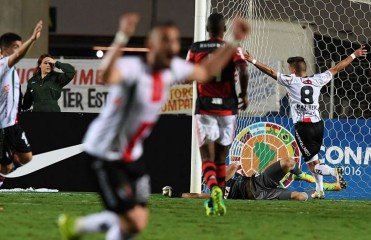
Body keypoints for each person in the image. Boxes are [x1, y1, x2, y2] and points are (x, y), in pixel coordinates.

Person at [58, 13, 250, 240]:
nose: (172, 45)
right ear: (151, 45)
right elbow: (106, 74)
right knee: (130, 219)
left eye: (175, 40)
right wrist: (122, 37)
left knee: (136, 221)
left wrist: (235, 40)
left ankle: (76, 227)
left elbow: (206, 72)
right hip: (103, 153)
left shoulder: (173, 67)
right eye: (165, 40)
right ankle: (77, 226)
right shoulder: (132, 68)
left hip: (132, 155)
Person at [244, 46, 367, 199]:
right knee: (315, 160)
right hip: (318, 125)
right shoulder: (317, 79)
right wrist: (354, 55)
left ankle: (333, 171)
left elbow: (270, 71)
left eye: (289, 68)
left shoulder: (291, 80)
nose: (288, 71)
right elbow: (337, 68)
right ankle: (320, 190)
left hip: (304, 128)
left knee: (311, 165)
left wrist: (253, 60)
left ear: (293, 70)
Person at [187, 13, 249, 216]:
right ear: (224, 30)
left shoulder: (196, 48)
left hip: (205, 108)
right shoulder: (232, 48)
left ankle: (213, 188)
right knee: (221, 159)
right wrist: (244, 94)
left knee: (207, 156)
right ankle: (218, 199)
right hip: (227, 109)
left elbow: (188, 76)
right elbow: (243, 69)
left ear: (206, 28)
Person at [162, 158, 343, 201]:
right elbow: (195, 196)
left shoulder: (224, 176)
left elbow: (233, 167)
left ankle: (303, 175)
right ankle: (323, 190)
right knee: (300, 197)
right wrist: (175, 194)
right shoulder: (214, 194)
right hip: (262, 194)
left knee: (288, 161)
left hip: (259, 181)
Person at [0, 21, 43, 186]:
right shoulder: (3, 64)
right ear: (5, 49)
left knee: (27, 158)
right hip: (3, 126)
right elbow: (18, 55)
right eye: (16, 46)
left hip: (14, 124)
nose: (19, 49)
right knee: (5, 169)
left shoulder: (10, 67)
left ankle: (8, 159)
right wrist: (32, 39)